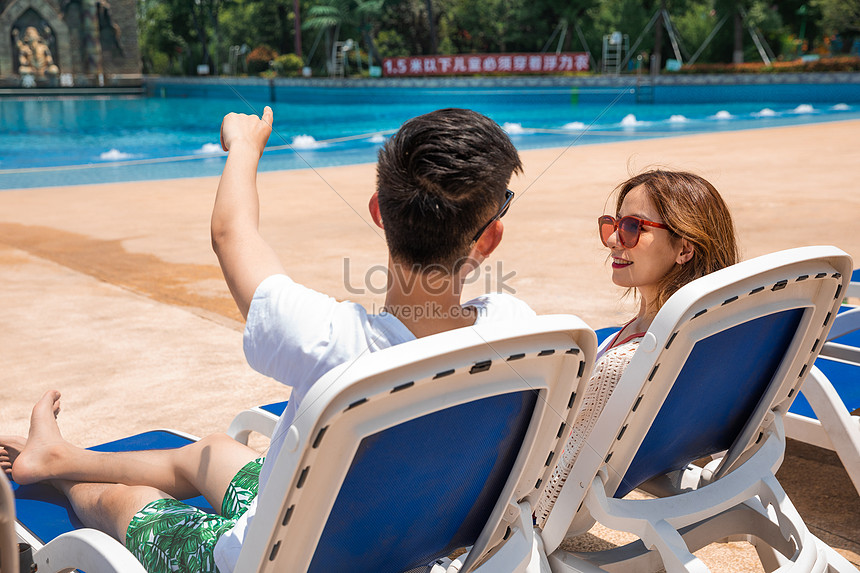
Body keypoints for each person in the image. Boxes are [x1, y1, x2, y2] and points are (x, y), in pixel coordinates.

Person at [0, 107, 535, 573]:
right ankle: (60, 455)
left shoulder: (326, 340)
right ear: (490, 237)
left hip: (263, 560)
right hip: (391, 532)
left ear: (378, 212)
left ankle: (60, 478)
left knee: (126, 503)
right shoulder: (518, 328)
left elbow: (232, 235)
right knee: (211, 450)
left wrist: (244, 147)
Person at [533, 169, 739, 525]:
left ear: (685, 248)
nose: (613, 240)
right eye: (613, 224)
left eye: (633, 227)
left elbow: (553, 494)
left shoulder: (626, 364)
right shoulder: (717, 336)